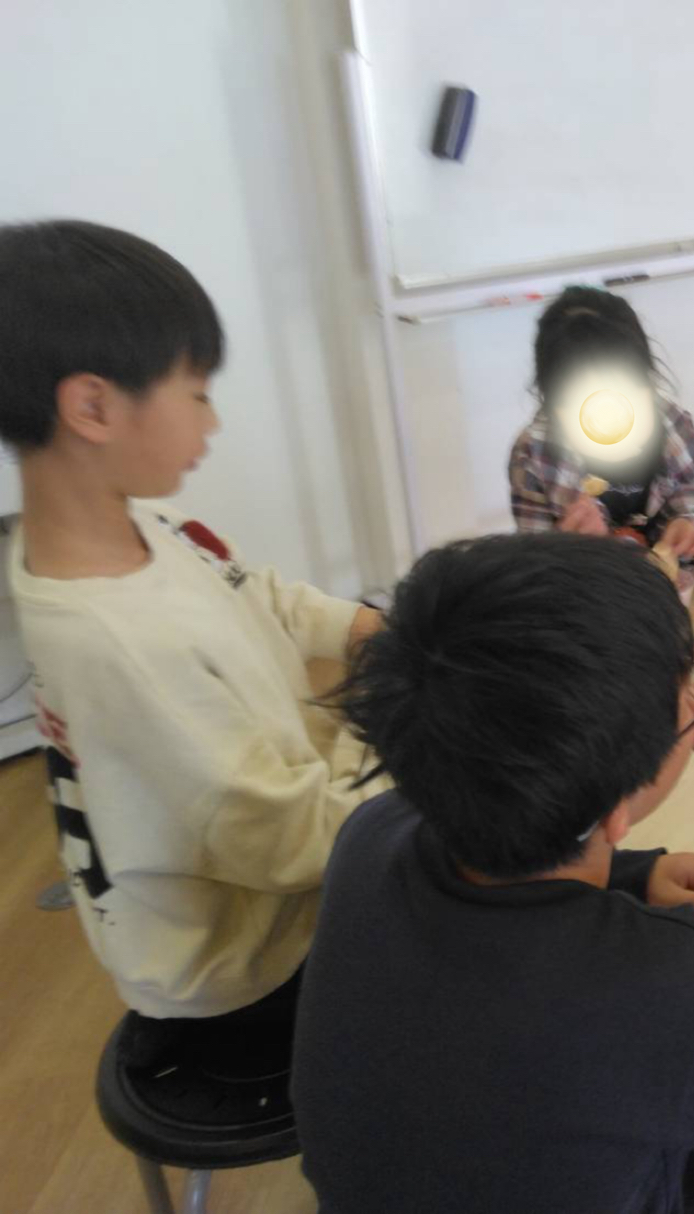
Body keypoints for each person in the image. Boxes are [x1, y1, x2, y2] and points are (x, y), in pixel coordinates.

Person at [292, 532, 694, 1214]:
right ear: (615, 812)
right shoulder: (676, 981)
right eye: (690, 700)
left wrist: (632, 876)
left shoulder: (372, 832)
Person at [0, 220, 383, 1075]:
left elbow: (260, 594)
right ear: (93, 407)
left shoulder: (142, 525)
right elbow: (295, 845)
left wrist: (366, 629)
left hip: (273, 862)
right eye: (198, 393)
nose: (213, 420)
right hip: (252, 969)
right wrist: (389, 722)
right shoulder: (117, 644)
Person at [509, 286, 694, 570]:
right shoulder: (534, 454)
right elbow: (533, 565)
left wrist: (688, 525)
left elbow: (690, 493)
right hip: (591, 587)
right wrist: (566, 545)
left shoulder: (671, 424)